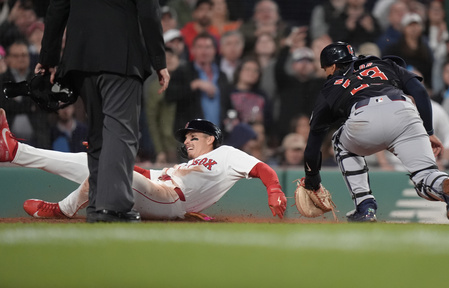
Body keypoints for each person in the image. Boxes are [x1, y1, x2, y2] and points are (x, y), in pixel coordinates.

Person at [0, 112, 287, 221]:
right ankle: (14, 151)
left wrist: (274, 187)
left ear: (211, 138)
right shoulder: (186, 165)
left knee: (106, 167)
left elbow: (263, 169)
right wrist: (112, 158)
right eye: (185, 137)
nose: (187, 141)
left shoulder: (225, 154)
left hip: (171, 200)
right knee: (89, 162)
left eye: (194, 136)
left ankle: (61, 210)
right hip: (157, 191)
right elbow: (145, 175)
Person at [35, 0, 170, 223]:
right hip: (121, 56)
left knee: (98, 134)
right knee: (120, 132)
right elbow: (149, 11)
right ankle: (113, 207)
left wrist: (48, 59)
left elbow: (56, 9)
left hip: (80, 58)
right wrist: (159, 60)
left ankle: (98, 205)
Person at [302, 41, 449, 224]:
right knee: (425, 175)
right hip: (404, 112)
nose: (326, 73)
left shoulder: (332, 86)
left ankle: (365, 207)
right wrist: (428, 131)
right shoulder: (382, 64)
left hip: (364, 118)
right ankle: (448, 190)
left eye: (326, 69)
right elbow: (420, 92)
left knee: (340, 143)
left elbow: (313, 144)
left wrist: (312, 182)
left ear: (332, 66)